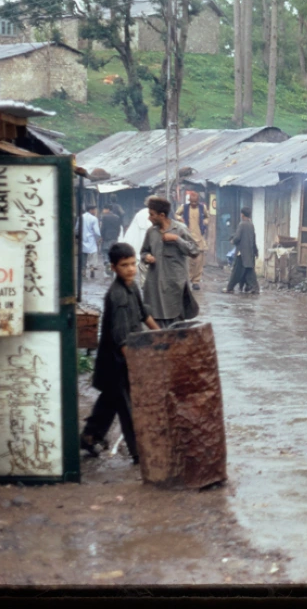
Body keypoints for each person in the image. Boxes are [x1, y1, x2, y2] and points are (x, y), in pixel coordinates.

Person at [80, 242, 159, 464]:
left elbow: (144, 315)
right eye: (125, 265)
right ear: (113, 267)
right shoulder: (117, 296)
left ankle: (89, 436)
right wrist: (136, 364)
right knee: (127, 407)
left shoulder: (133, 287)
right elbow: (121, 338)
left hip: (125, 357)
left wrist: (162, 335)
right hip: (117, 360)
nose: (131, 269)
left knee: (109, 401)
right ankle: (139, 453)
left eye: (133, 264)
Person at [140, 196, 201, 327]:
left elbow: (195, 251)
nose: (149, 218)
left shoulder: (179, 229)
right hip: (154, 287)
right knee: (154, 325)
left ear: (162, 215)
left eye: (152, 215)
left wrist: (177, 239)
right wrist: (146, 257)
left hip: (174, 288)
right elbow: (143, 252)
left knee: (175, 328)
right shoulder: (151, 232)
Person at [178, 190, 210, 291]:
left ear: (198, 201)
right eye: (192, 202)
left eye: (195, 202)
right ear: (189, 201)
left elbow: (207, 217)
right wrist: (180, 219)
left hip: (199, 238)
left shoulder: (202, 208)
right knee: (188, 260)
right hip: (188, 238)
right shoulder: (184, 207)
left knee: (199, 261)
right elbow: (176, 214)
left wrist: (205, 222)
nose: (193, 204)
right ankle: (188, 279)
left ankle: (196, 281)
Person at [225, 207, 260, 294]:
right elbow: (253, 239)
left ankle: (230, 288)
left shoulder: (242, 224)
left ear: (242, 214)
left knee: (236, 271)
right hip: (249, 253)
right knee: (249, 271)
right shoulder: (251, 225)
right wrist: (255, 251)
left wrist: (232, 241)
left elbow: (237, 238)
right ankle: (253, 288)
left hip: (241, 253)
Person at [78, 203, 101, 280]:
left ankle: (83, 272)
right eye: (94, 210)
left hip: (82, 240)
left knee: (83, 256)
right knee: (93, 255)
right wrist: (98, 239)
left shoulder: (80, 217)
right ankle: (91, 269)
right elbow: (97, 231)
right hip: (91, 240)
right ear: (91, 210)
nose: (95, 211)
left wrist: (77, 238)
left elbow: (76, 229)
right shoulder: (94, 219)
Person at [100, 205, 123, 274]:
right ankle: (111, 264)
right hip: (114, 237)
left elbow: (103, 228)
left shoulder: (104, 217)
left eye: (104, 209)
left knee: (105, 250)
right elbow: (118, 227)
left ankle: (107, 263)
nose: (103, 211)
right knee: (112, 251)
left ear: (108, 209)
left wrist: (102, 236)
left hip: (106, 237)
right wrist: (117, 234)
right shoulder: (117, 217)